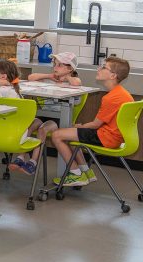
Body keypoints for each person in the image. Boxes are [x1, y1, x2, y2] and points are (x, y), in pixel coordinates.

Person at [47, 57, 133, 186]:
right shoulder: (122, 93)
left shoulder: (111, 98)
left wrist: (79, 127)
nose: (99, 69)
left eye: (104, 67)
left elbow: (95, 125)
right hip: (115, 136)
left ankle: (75, 174)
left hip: (106, 138)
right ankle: (86, 171)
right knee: (70, 134)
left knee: (57, 135)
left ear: (113, 75)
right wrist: (79, 128)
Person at [11, 52, 83, 175]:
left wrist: (66, 78)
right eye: (55, 64)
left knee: (42, 130)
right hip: (45, 114)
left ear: (70, 68)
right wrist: (49, 75)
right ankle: (21, 156)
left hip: (60, 118)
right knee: (29, 125)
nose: (55, 68)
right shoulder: (51, 79)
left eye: (60, 65)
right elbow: (31, 77)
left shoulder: (73, 80)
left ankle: (33, 162)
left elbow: (76, 82)